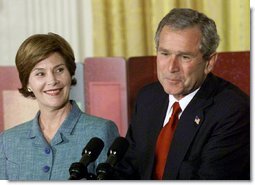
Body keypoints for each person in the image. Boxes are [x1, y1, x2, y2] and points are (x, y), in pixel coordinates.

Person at [114, 8, 250, 180]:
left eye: (184, 57)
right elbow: (129, 167)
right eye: (164, 54)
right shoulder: (148, 98)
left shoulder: (233, 111)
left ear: (209, 62)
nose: (171, 68)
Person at [0, 33, 119, 180]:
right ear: (28, 84)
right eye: (40, 74)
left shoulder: (101, 130)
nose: (52, 80)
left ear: (70, 74)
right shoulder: (8, 141)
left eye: (59, 70)